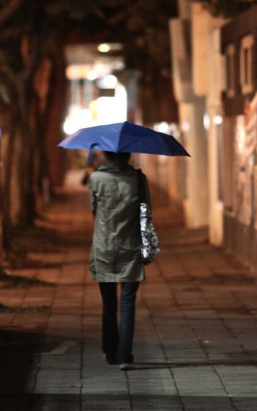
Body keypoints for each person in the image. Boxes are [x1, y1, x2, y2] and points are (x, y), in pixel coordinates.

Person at [88, 151, 150, 371]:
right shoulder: (138, 179)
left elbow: (94, 210)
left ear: (106, 155)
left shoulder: (96, 178)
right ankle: (124, 355)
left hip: (104, 248)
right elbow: (145, 211)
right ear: (129, 155)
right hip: (131, 247)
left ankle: (110, 352)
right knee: (127, 303)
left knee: (108, 305)